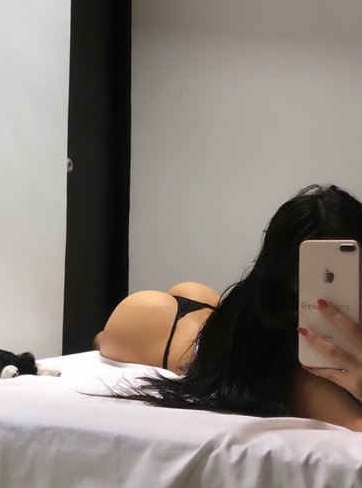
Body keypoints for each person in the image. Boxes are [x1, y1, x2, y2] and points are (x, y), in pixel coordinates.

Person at [95, 184, 362, 431]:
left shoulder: (262, 317)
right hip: (160, 326)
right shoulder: (302, 373)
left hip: (213, 320)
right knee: (105, 340)